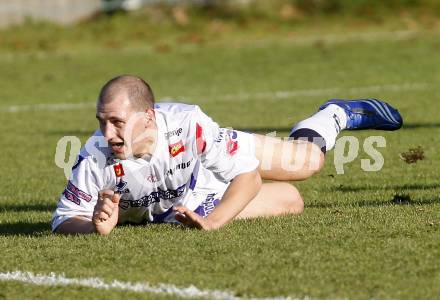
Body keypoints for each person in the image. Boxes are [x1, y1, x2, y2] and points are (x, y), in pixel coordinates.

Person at [52, 75, 403, 235]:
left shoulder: (189, 124)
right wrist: (94, 226)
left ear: (148, 117)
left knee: (308, 162)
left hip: (215, 159)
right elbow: (64, 219)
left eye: (117, 122)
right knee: (292, 200)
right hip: (192, 202)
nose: (107, 133)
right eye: (101, 121)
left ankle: (333, 115)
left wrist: (214, 222)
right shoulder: (95, 155)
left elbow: (247, 177)